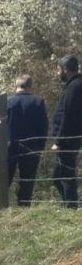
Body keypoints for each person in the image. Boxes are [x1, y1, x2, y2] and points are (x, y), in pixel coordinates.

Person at [7, 75, 48, 206]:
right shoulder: (38, 102)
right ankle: (24, 206)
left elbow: (1, 126)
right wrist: (41, 145)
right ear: (30, 86)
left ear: (16, 85)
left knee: (5, 178)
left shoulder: (7, 102)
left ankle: (1, 206)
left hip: (10, 146)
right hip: (32, 146)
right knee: (27, 180)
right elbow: (43, 125)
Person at [51, 55, 82, 207]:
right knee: (59, 175)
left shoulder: (74, 86)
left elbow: (67, 115)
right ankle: (69, 205)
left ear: (65, 69)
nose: (57, 74)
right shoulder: (74, 85)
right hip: (70, 138)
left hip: (68, 140)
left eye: (58, 70)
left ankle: (70, 206)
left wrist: (59, 141)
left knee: (64, 174)